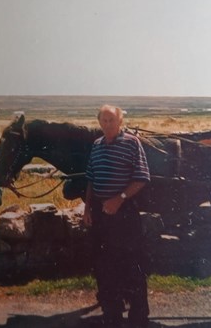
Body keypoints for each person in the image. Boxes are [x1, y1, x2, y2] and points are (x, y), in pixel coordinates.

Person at [83, 105, 151, 328]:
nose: (107, 124)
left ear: (120, 122)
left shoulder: (132, 143)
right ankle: (111, 313)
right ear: (99, 122)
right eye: (103, 120)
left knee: (131, 264)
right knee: (104, 265)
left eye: (111, 120)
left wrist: (119, 199)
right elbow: (91, 179)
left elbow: (141, 178)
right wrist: (87, 209)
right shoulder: (96, 145)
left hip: (124, 214)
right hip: (101, 214)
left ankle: (139, 316)